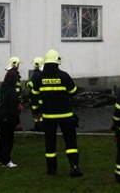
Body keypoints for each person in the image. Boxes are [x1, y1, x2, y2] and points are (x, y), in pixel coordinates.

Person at [30, 49, 83, 177]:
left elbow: (34, 96)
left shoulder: (39, 78)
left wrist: (36, 110)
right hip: (66, 115)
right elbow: (74, 91)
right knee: (70, 142)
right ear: (57, 62)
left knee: (50, 143)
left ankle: (51, 169)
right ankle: (74, 166)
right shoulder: (64, 76)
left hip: (48, 117)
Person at [0, 68, 20, 168]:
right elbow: (13, 107)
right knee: (8, 140)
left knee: (2, 138)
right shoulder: (12, 91)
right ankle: (6, 160)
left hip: (0, 116)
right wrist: (17, 120)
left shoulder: (2, 89)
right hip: (8, 117)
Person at [26, 57, 44, 131]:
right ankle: (39, 126)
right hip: (41, 98)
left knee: (36, 113)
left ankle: (39, 127)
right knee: (40, 113)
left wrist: (27, 84)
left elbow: (32, 85)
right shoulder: (43, 73)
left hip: (35, 98)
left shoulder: (36, 74)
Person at [5, 56, 24, 130]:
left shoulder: (11, 73)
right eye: (18, 64)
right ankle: (16, 127)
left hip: (12, 99)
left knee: (14, 113)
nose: (19, 66)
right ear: (15, 64)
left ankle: (16, 126)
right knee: (15, 113)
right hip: (14, 99)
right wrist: (19, 102)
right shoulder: (14, 74)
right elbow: (16, 90)